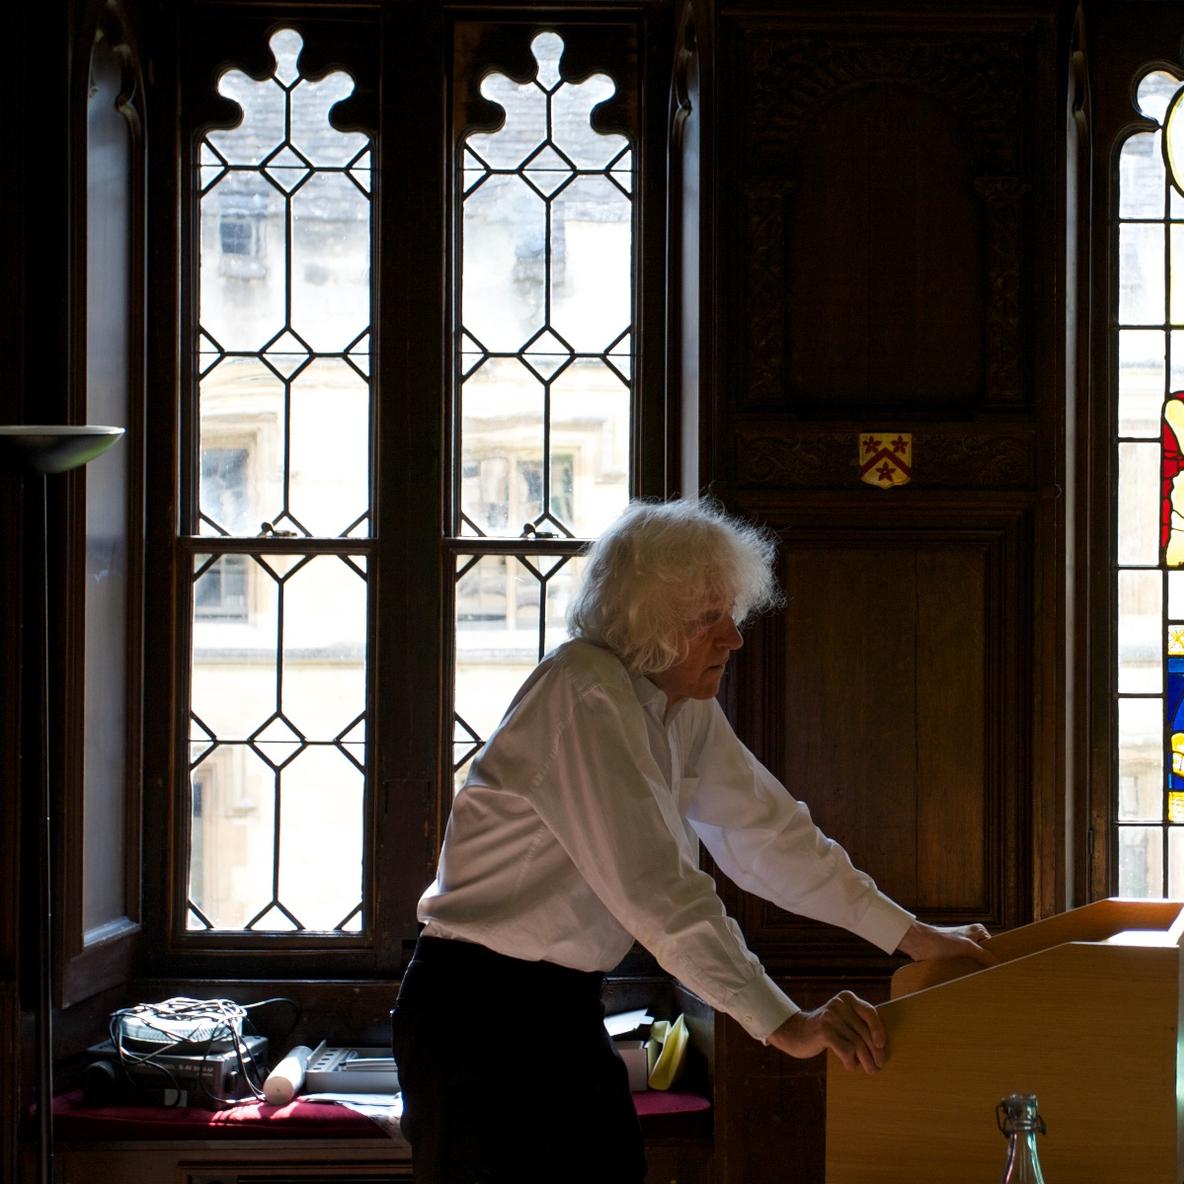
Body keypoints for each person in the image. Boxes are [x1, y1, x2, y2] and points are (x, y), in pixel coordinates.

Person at [392, 497, 994, 1182]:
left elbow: (771, 836)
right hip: (477, 1015)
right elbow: (659, 890)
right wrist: (786, 1024)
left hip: (561, 1010)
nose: (734, 640)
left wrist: (913, 937)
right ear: (650, 620)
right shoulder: (582, 689)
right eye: (712, 621)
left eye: (731, 617)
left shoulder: (679, 707)